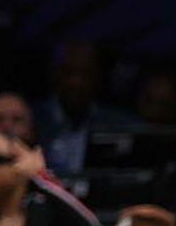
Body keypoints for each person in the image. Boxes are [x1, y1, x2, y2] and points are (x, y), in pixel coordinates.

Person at [34, 41, 136, 174]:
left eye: (85, 73)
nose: (76, 82)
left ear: (98, 77)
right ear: (55, 74)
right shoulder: (31, 120)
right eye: (68, 72)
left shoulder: (121, 125)